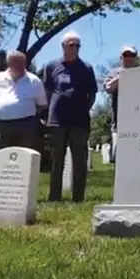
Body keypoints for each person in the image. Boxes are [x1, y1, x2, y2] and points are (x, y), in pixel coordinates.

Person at [43, 30, 97, 202]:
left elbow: (92, 93)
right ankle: (54, 196)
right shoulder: (51, 66)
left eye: (78, 45)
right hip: (57, 120)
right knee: (56, 159)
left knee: (79, 160)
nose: (75, 48)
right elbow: (47, 90)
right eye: (72, 45)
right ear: (63, 46)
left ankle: (78, 197)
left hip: (79, 120)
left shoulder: (86, 68)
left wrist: (84, 108)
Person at [0, 50, 47, 149]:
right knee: (2, 156)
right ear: (9, 63)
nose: (21, 66)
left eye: (22, 62)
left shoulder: (34, 81)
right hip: (2, 124)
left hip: (27, 125)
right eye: (16, 62)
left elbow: (42, 105)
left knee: (26, 156)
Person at [104, 45, 139, 163]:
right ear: (121, 57)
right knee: (118, 157)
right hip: (119, 125)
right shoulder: (114, 73)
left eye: (132, 55)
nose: (129, 58)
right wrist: (123, 76)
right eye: (126, 55)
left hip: (139, 124)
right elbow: (108, 88)